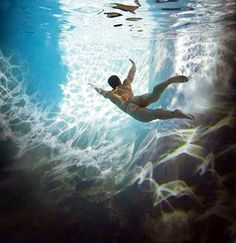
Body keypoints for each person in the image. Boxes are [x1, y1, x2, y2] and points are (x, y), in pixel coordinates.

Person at [89, 59, 194, 122]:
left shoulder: (111, 93)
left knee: (154, 114)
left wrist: (94, 87)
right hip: (136, 99)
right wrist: (133, 65)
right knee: (154, 95)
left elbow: (101, 92)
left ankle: (174, 114)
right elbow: (132, 73)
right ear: (119, 80)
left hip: (129, 108)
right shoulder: (126, 83)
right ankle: (168, 82)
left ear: (111, 85)